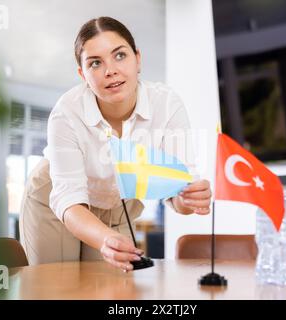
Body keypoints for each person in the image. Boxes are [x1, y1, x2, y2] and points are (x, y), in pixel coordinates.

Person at [19, 16, 212, 272]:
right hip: (57, 205)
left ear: (137, 58)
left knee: (110, 289)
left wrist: (189, 199)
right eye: (95, 63)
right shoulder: (66, 113)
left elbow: (177, 191)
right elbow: (68, 199)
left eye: (119, 56)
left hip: (118, 207)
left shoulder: (167, 105)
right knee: (59, 285)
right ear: (83, 74)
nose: (110, 70)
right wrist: (104, 238)